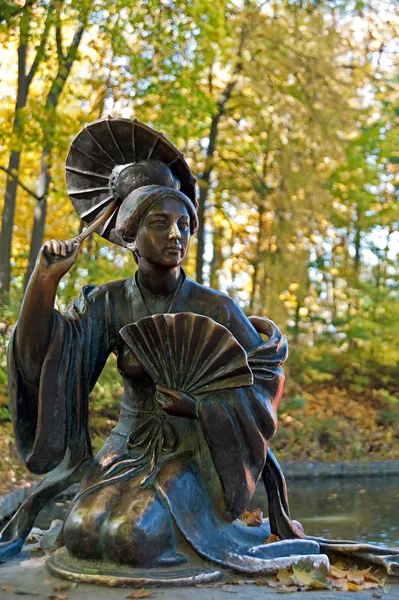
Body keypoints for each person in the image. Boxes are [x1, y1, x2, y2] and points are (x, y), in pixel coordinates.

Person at [1, 166, 320, 575]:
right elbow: (41, 359)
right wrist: (43, 284)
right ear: (131, 236)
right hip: (127, 444)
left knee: (132, 537)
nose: (176, 234)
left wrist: (202, 407)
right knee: (83, 532)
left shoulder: (215, 308)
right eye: (160, 223)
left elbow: (263, 379)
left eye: (184, 225)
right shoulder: (109, 303)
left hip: (192, 448)